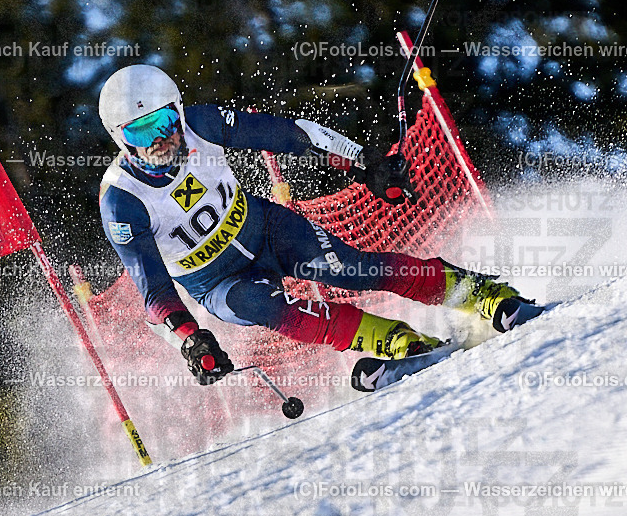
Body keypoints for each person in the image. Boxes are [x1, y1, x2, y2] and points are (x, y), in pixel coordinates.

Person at [97, 64, 535, 385]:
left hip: (265, 230)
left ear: (178, 111)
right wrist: (190, 340)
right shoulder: (122, 200)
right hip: (216, 283)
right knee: (268, 308)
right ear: (120, 138)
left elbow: (290, 134)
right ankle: (399, 342)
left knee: (351, 269)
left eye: (164, 121)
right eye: (140, 132)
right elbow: (154, 291)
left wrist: (364, 163)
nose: (159, 138)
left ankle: (483, 294)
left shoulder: (202, 125)